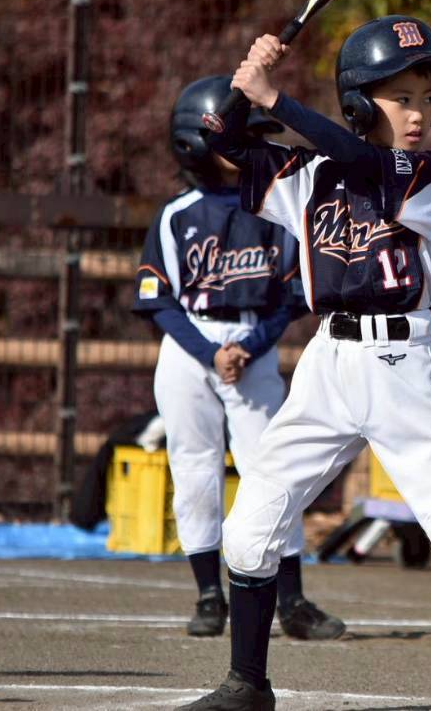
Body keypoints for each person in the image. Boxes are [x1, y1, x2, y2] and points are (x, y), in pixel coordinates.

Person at [177, 16, 431, 711]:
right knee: (251, 528)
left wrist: (274, 98)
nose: (418, 114)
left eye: (426, 99)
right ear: (358, 104)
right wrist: (247, 81)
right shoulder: (308, 175)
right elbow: (220, 141)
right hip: (328, 363)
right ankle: (247, 684)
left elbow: (362, 163)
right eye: (400, 98)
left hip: (400, 365)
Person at [133, 79, 344, 642]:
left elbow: (293, 297)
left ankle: (291, 601)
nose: (250, 147)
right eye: (238, 136)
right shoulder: (177, 215)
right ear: (198, 143)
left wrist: (248, 347)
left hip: (255, 343)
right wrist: (211, 352)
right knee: (193, 468)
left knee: (273, 470)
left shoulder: (276, 210)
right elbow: (159, 301)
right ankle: (209, 594)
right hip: (190, 345)